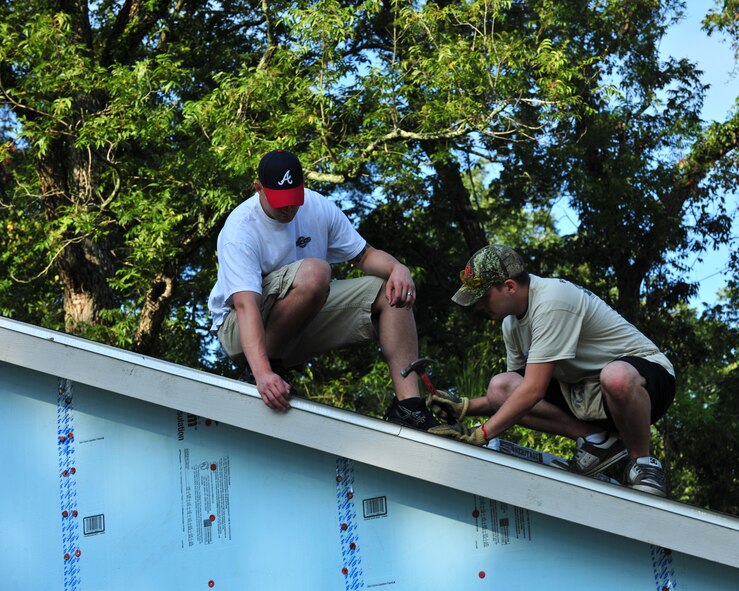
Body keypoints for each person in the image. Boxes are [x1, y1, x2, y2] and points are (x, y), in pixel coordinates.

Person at [207, 148, 438, 429]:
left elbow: (364, 256)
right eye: (279, 202)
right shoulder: (240, 230)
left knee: (390, 292)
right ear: (259, 189)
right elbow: (245, 306)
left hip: (299, 322)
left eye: (293, 200)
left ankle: (409, 407)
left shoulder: (317, 207)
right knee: (316, 272)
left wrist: (397, 268)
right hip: (240, 332)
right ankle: (264, 369)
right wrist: (264, 373)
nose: (288, 209)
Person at [428, 244, 676, 497]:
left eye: (483, 297)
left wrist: (480, 433)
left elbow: (533, 391)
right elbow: (516, 395)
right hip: (584, 393)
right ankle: (598, 442)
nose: (479, 306)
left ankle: (642, 464)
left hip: (645, 381)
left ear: (510, 287)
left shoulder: (552, 300)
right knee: (501, 386)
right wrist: (466, 407)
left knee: (616, 377)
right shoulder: (511, 325)